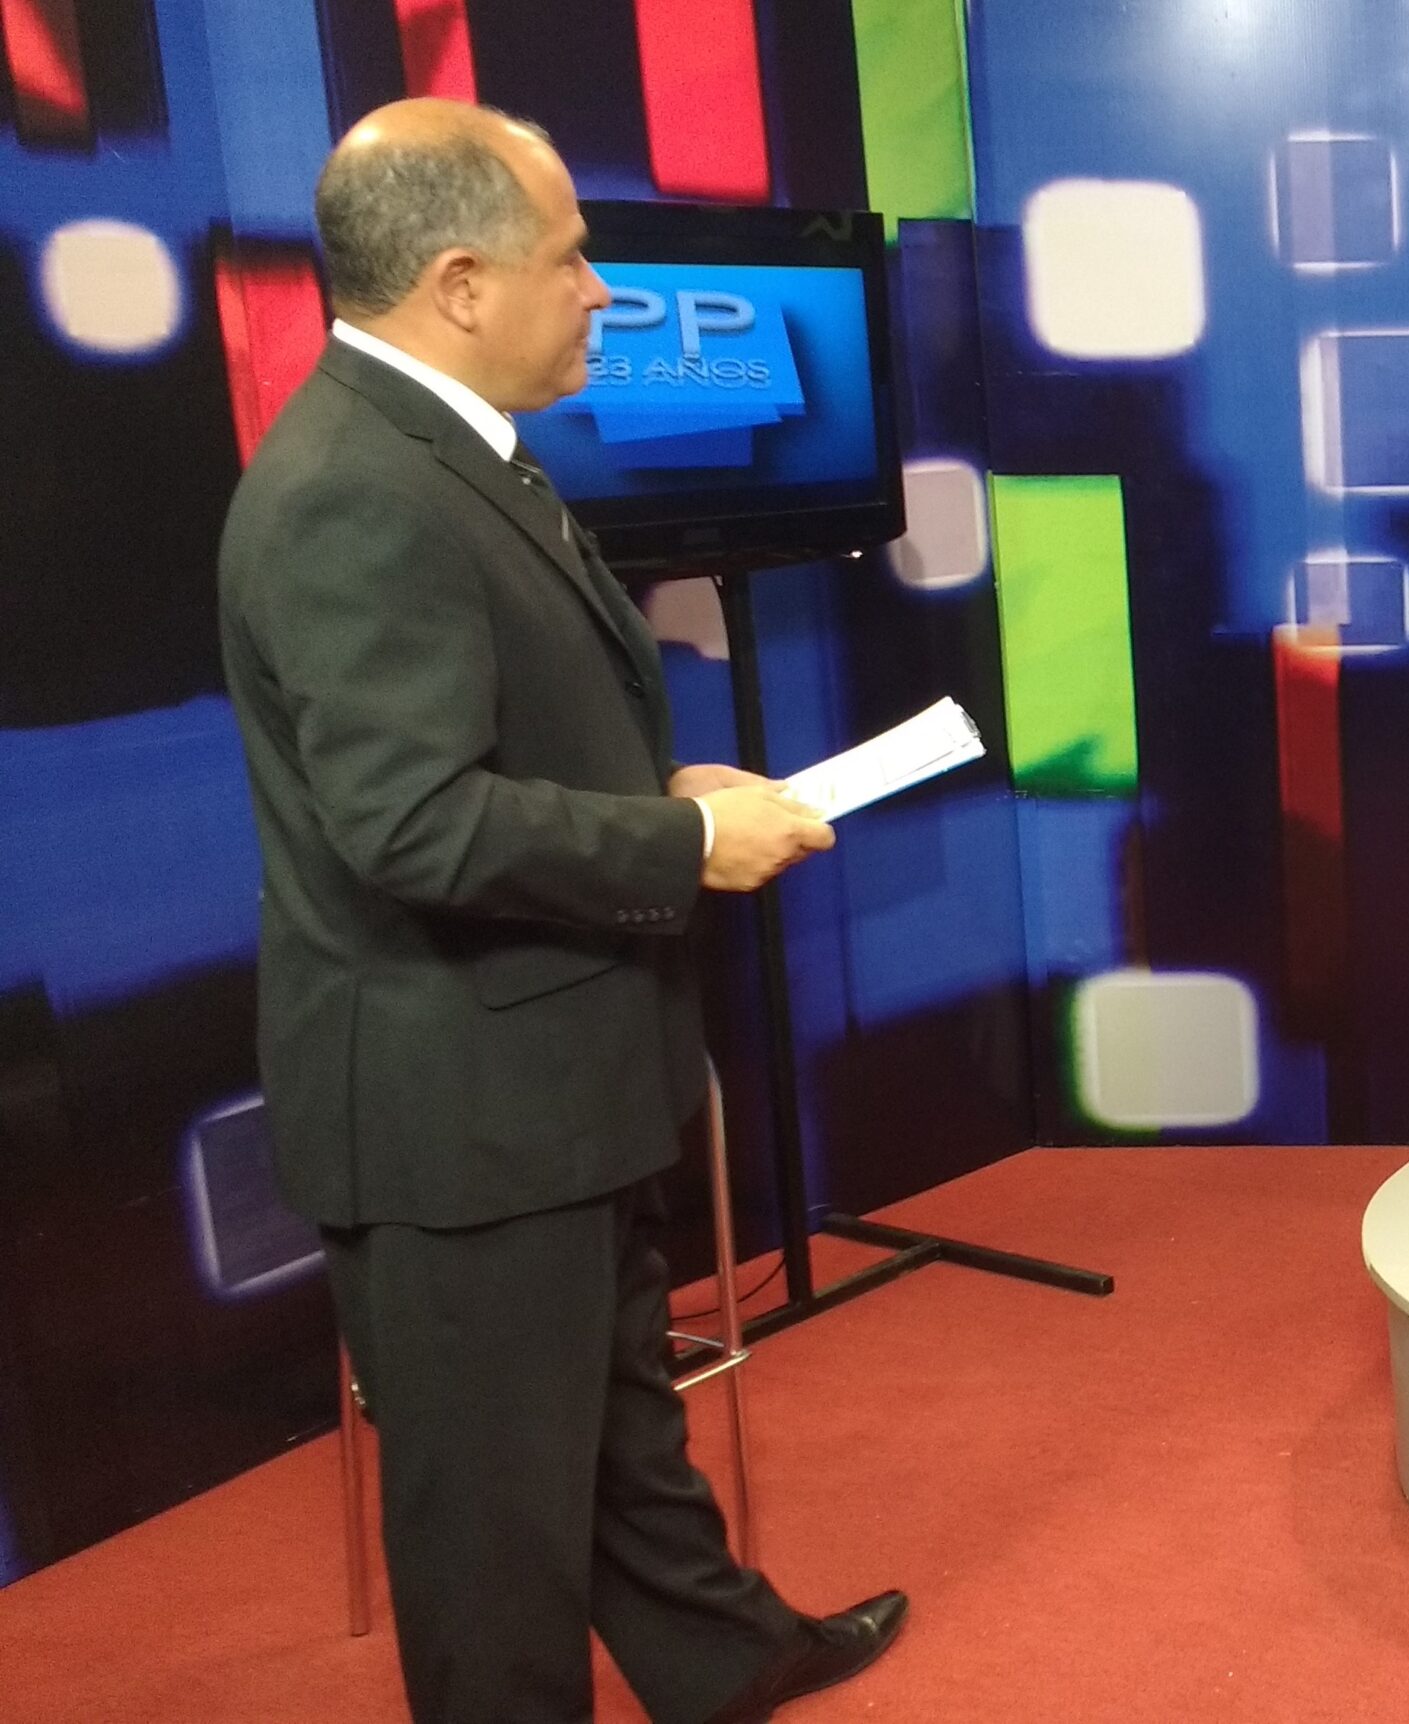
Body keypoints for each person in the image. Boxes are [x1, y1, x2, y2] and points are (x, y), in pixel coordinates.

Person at [218, 99, 903, 1722]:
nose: (604, 291)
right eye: (574, 257)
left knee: (612, 1417)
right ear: (460, 284)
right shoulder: (353, 490)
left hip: (541, 1076)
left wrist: (660, 790)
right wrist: (684, 844)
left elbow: (482, 735)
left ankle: (720, 1659)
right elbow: (411, 821)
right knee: (491, 1525)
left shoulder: (439, 445)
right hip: (458, 1111)